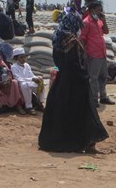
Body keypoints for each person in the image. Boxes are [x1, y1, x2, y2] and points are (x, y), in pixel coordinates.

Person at [37, 9, 108, 154]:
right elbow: (74, 65)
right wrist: (84, 76)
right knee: (86, 113)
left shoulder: (57, 39)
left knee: (62, 113)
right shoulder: (72, 42)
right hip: (76, 83)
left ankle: (62, 141)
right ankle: (88, 145)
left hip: (61, 83)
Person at [81, 0, 113, 106]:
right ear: (92, 10)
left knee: (103, 76)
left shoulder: (99, 21)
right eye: (98, 10)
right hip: (93, 53)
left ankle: (103, 96)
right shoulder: (86, 22)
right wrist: (84, 53)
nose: (100, 12)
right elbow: (82, 39)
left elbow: (106, 31)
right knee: (93, 77)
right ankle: (94, 99)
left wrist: (104, 20)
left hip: (102, 53)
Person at [10, 47, 42, 114]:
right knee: (25, 85)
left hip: (29, 82)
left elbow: (31, 75)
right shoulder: (14, 67)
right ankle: (28, 107)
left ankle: (40, 103)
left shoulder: (27, 65)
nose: (24, 59)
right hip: (20, 84)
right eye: (21, 57)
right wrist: (32, 79)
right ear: (16, 58)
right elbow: (18, 78)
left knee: (41, 83)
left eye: (24, 57)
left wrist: (37, 78)